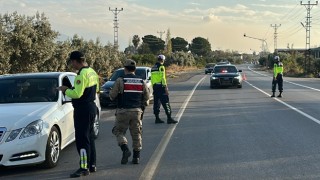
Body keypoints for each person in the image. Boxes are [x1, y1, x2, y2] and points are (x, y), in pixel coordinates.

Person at [57, 51, 99, 178]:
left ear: (75, 61)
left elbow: (77, 94)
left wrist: (65, 90)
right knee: (89, 138)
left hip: (83, 110)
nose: (72, 65)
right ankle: (92, 165)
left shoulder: (81, 74)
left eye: (71, 62)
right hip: (91, 107)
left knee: (81, 140)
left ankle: (83, 167)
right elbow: (96, 90)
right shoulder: (92, 71)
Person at [109, 59, 150, 165]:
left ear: (125, 69)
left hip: (123, 111)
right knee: (136, 134)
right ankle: (136, 157)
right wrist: (142, 106)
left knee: (118, 131)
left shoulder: (120, 80)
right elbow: (147, 98)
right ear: (135, 69)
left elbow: (112, 96)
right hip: (137, 111)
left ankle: (125, 149)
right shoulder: (141, 81)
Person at [151, 54, 178, 124]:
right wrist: (165, 87)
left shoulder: (153, 68)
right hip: (161, 87)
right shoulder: (161, 67)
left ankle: (157, 118)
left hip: (155, 87)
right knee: (166, 102)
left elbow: (152, 78)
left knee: (156, 103)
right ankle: (169, 118)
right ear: (163, 60)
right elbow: (163, 78)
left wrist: (153, 86)